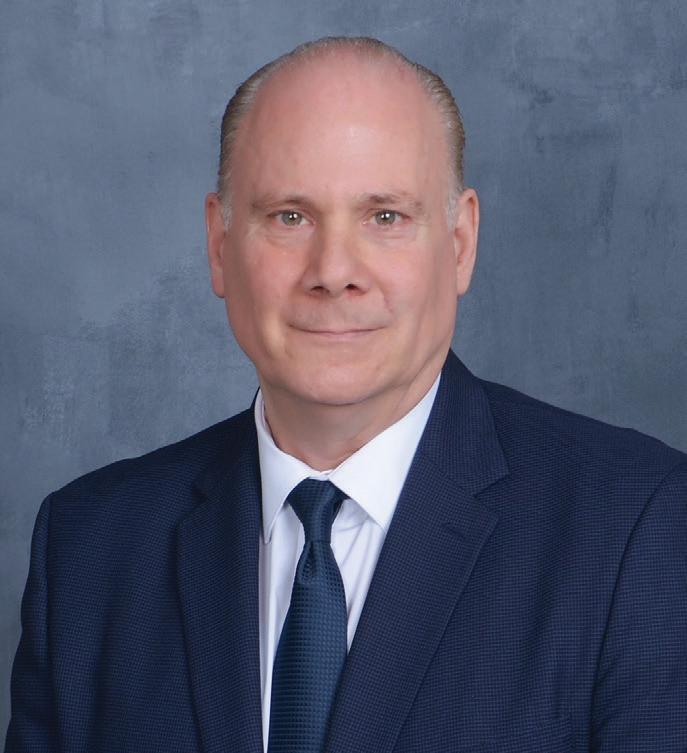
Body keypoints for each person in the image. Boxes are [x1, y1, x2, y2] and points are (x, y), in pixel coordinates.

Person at [4, 35, 687, 753]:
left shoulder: (634, 527)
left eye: (384, 217)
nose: (333, 272)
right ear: (219, 245)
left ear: (459, 243)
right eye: (289, 216)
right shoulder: (90, 549)